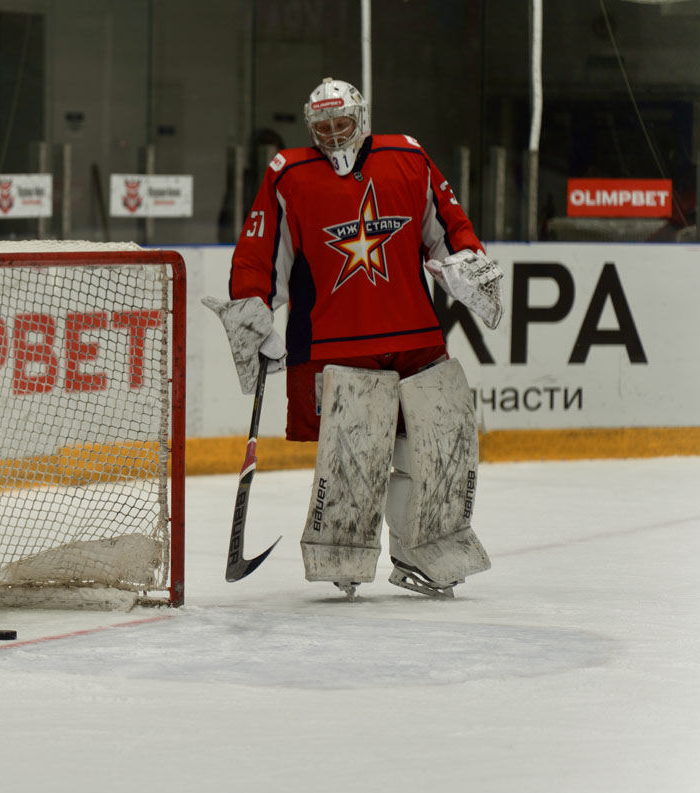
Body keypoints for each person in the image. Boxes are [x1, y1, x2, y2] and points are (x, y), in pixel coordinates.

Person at [204, 77, 503, 600]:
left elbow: (448, 223)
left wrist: (466, 262)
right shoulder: (288, 173)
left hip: (416, 338)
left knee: (435, 451)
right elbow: (259, 252)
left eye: (342, 124)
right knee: (352, 458)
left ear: (361, 119)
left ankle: (423, 553)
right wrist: (255, 312)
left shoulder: (408, 157)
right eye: (322, 128)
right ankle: (341, 553)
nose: (334, 136)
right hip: (336, 345)